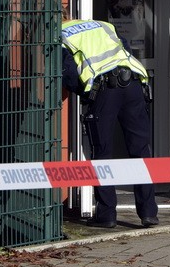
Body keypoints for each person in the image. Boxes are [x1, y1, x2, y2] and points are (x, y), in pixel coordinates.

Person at [61, 18, 158, 229]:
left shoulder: (61, 34)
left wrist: (86, 94)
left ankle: (106, 215)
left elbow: (68, 74)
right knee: (141, 150)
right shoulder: (103, 25)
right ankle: (149, 212)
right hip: (134, 84)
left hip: (106, 90)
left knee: (102, 151)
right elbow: (125, 47)